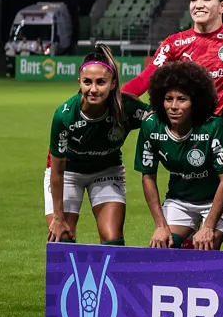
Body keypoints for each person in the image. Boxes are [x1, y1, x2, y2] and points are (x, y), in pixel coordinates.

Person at [45, 44, 150, 245]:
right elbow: (57, 171)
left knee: (112, 240)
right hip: (68, 173)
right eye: (87, 82)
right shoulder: (65, 115)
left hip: (106, 170)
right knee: (62, 238)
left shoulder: (127, 107)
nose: (93, 89)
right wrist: (58, 218)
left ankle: (112, 277)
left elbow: (159, 120)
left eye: (101, 82)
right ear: (79, 82)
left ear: (112, 84)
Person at [136, 62, 223, 250]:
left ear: (195, 101)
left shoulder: (213, 126)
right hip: (180, 200)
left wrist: (208, 226)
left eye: (181, 99)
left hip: (217, 199)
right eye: (168, 99)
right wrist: (161, 226)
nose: (173, 106)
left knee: (207, 244)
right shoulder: (151, 125)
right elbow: (148, 177)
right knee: (163, 245)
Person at [124, 0, 223, 114]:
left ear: (222, 7)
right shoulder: (174, 43)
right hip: (190, 130)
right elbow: (145, 79)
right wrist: (116, 100)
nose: (198, 5)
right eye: (193, 0)